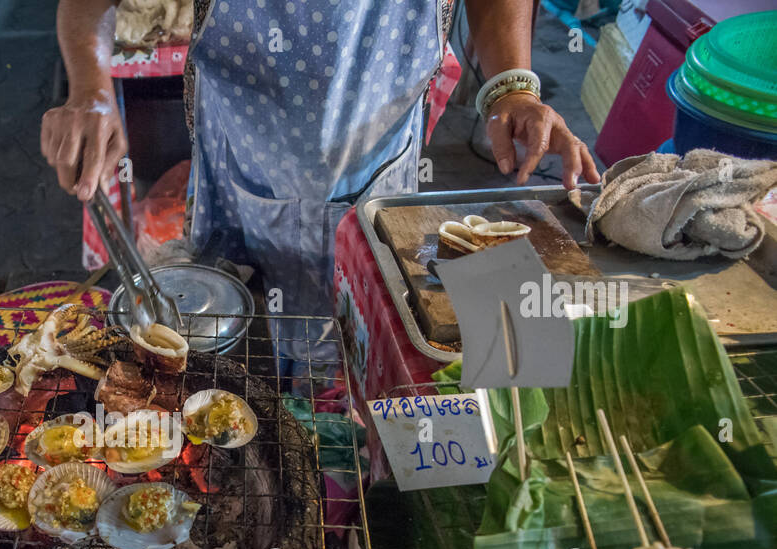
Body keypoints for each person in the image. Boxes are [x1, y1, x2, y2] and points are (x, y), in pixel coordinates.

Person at [41, 0, 599, 374]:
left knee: (368, 356)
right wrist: (90, 87)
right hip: (244, 167)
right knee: (233, 362)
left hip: (378, 167)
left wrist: (512, 87)